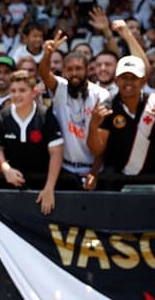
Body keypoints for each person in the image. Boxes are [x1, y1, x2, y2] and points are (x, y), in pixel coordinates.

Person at [88, 55, 155, 181]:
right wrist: (93, 126)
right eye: (124, 77)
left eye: (134, 78)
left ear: (143, 81)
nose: (128, 82)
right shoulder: (107, 106)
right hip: (119, 180)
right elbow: (97, 151)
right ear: (116, 80)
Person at [39, 31, 110, 190]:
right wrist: (47, 54)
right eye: (69, 69)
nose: (74, 73)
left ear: (87, 70)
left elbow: (103, 141)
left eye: (78, 68)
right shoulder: (60, 88)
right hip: (66, 170)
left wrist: (94, 173)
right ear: (64, 71)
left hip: (94, 170)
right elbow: (44, 73)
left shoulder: (101, 95)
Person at [0, 70, 64, 215]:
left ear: (34, 92)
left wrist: (49, 188)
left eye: (22, 90)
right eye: (13, 91)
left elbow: (56, 152)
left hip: (43, 184)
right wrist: (6, 168)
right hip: (13, 184)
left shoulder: (45, 115)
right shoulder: (3, 115)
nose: (17, 95)